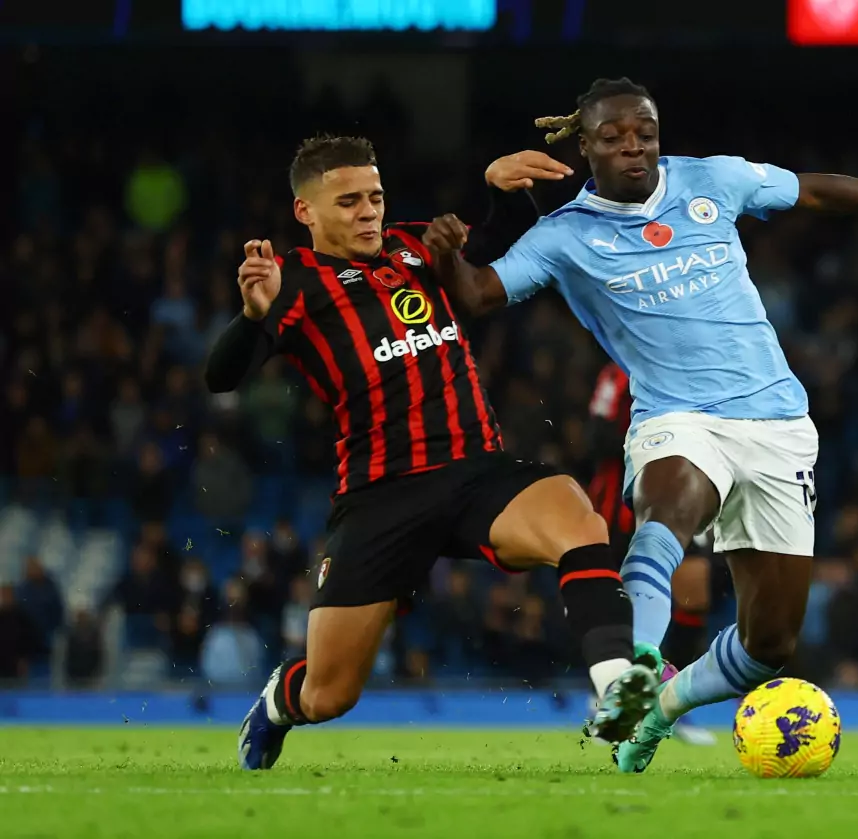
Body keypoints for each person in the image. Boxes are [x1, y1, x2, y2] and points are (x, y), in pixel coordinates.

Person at [420, 77, 858, 773]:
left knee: (771, 641)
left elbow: (814, 189)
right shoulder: (563, 237)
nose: (633, 147)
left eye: (644, 132)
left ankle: (663, 707)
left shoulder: (714, 180)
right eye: (613, 138)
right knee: (669, 506)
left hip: (779, 424)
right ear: (584, 147)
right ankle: (635, 667)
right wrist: (446, 255)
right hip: (677, 415)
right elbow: (478, 294)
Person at [206, 135, 657, 771]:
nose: (369, 212)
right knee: (329, 694)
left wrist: (505, 190)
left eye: (376, 197)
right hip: (381, 495)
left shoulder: (416, 246)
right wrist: (252, 318)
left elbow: (501, 240)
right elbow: (221, 377)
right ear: (306, 212)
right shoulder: (292, 282)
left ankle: (619, 691)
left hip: (477, 471)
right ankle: (279, 702)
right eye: (350, 202)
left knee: (579, 519)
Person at [587, 360, 716, 747]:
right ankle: (611, 694)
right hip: (621, 500)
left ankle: (673, 699)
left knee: (694, 592)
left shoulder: (698, 366)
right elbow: (594, 436)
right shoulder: (617, 373)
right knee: (620, 596)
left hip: (684, 489)